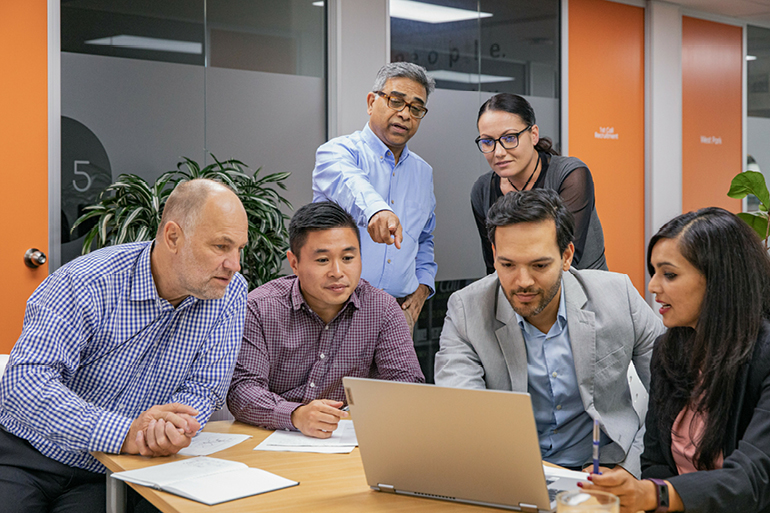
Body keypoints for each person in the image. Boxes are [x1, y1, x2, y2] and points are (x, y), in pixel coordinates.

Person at [0, 178, 249, 512]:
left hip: (112, 470)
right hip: (25, 454)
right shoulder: (88, 282)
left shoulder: (229, 293)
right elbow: (24, 384)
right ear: (173, 236)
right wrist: (125, 432)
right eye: (221, 247)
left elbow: (204, 389)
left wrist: (170, 429)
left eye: (239, 249)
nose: (234, 264)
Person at [434, 189, 663, 477]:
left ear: (567, 256)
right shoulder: (467, 310)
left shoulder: (619, 297)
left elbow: (672, 398)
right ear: (494, 255)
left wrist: (630, 469)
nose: (523, 281)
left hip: (607, 467)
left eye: (539, 265)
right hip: (511, 470)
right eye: (507, 265)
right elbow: (462, 412)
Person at [584, 208, 770, 513]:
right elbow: (655, 463)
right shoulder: (668, 350)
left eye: (669, 274)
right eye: (654, 272)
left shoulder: (763, 357)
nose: (654, 287)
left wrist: (655, 495)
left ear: (719, 279)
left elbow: (753, 479)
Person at [227, 201, 424, 439]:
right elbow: (242, 391)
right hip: (274, 439)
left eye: (348, 258)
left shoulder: (382, 309)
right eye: (322, 260)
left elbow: (406, 388)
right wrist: (296, 415)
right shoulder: (260, 308)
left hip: (349, 441)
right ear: (294, 263)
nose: (337, 272)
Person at [312, 62, 437, 331]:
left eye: (416, 108)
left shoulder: (423, 173)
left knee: (401, 376)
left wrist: (423, 288)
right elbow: (352, 183)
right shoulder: (336, 153)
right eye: (396, 101)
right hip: (339, 309)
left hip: (398, 314)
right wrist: (377, 212)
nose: (405, 114)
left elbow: (424, 239)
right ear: (371, 102)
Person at [471, 93, 607, 275]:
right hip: (522, 293)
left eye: (510, 138)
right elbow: (494, 265)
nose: (499, 152)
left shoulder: (570, 175)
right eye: (488, 142)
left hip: (583, 290)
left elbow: (565, 259)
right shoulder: (482, 190)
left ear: (533, 135)